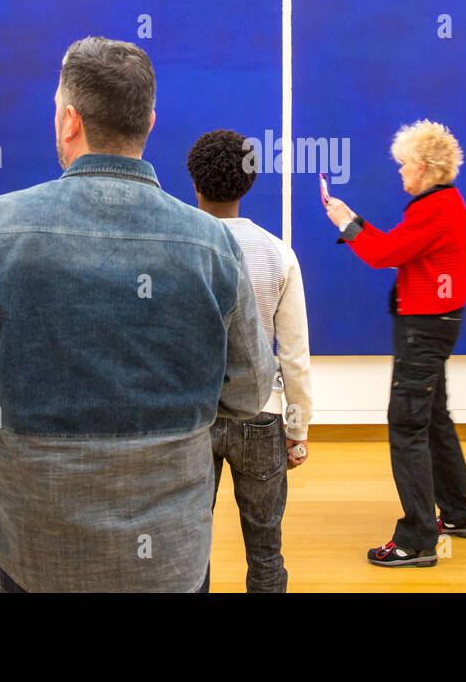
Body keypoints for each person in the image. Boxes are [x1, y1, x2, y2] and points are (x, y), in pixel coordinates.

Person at [0, 37, 276, 593]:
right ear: (149, 122)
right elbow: (249, 394)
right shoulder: (212, 244)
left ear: (68, 121)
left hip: (33, 548)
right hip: (170, 554)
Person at [324, 119, 466, 567]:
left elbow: (382, 254)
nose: (399, 171)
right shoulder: (440, 206)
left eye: (404, 164)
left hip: (424, 330)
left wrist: (347, 222)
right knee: (433, 419)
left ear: (427, 168)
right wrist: (353, 222)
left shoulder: (435, 209)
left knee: (407, 425)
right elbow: (395, 247)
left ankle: (416, 539)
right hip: (435, 324)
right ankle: (461, 514)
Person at [187, 128, 313, 593]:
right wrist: (297, 431)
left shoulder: (179, 248)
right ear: (250, 181)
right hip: (262, 417)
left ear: (194, 182)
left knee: (186, 546)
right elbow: (294, 357)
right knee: (266, 550)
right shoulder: (279, 254)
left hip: (192, 418)